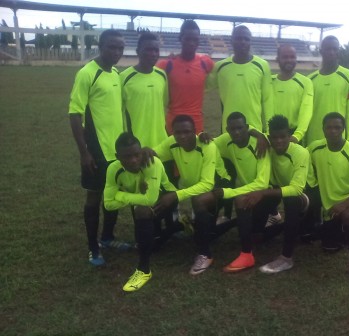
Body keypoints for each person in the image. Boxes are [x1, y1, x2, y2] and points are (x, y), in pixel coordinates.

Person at [68, 29, 130, 266]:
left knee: (112, 195)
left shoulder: (116, 73)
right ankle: (93, 247)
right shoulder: (87, 73)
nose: (116, 52)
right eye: (112, 47)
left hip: (117, 151)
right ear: (100, 46)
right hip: (95, 150)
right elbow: (74, 113)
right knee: (94, 198)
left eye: (120, 48)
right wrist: (84, 152)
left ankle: (107, 238)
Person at [150, 115, 233, 275]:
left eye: (187, 132)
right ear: (172, 133)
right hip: (192, 186)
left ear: (195, 131)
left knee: (199, 201)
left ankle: (205, 254)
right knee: (161, 195)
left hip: (220, 185)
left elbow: (208, 183)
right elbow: (154, 154)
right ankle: (162, 234)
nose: (182, 136)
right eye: (178, 132)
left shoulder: (207, 146)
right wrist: (146, 152)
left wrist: (175, 195)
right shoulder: (172, 142)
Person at [103, 133, 176, 292]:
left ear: (141, 152)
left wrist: (121, 195)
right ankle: (179, 226)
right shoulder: (113, 169)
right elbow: (108, 204)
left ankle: (144, 270)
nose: (134, 160)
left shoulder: (151, 162)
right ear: (117, 156)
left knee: (142, 212)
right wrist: (137, 198)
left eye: (137, 155)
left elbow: (150, 200)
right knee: (152, 244)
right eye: (127, 156)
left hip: (167, 199)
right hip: (142, 201)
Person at [240, 115, 310, 274]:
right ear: (269, 136)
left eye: (283, 137)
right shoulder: (267, 146)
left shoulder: (300, 152)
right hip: (279, 188)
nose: (278, 141)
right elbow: (247, 124)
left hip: (306, 195)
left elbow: (297, 189)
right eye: (274, 137)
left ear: (289, 135)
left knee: (291, 201)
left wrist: (263, 192)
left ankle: (286, 258)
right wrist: (260, 136)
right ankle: (274, 227)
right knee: (257, 236)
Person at [307, 112, 349, 283]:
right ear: (323, 129)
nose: (333, 131)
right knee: (329, 247)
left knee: (348, 217)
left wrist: (344, 204)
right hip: (330, 205)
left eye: (337, 127)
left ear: (343, 129)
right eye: (329, 127)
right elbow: (302, 158)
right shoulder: (314, 148)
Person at [213, 112, 271, 273]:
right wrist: (202, 136)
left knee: (240, 200)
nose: (236, 132)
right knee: (255, 234)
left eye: (240, 128)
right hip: (248, 191)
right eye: (232, 129)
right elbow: (209, 144)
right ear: (227, 130)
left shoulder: (259, 144)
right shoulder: (226, 140)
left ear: (247, 128)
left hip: (266, 193)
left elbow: (262, 182)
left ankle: (247, 254)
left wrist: (230, 192)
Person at [266, 44, 313, 227]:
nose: (289, 60)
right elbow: (266, 107)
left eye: (292, 57)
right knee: (271, 176)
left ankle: (299, 213)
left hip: (293, 136)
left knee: (296, 178)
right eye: (285, 57)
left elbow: (306, 109)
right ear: (277, 59)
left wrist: (298, 135)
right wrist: (267, 134)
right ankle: (273, 213)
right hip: (273, 135)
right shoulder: (269, 81)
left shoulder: (305, 82)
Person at [210, 25, 274, 133]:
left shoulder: (262, 66)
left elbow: (267, 100)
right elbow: (204, 85)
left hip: (254, 128)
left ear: (250, 42)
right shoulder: (220, 67)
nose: (242, 42)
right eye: (238, 38)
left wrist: (269, 130)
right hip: (228, 129)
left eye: (246, 39)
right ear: (232, 41)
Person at [156, 20, 214, 134]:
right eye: (188, 39)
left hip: (196, 125)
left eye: (195, 40)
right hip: (173, 125)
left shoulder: (206, 63)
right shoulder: (167, 65)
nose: (191, 43)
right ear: (180, 38)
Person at [306, 35, 349, 145]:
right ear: (321, 51)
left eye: (335, 49)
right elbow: (304, 112)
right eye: (328, 49)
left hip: (338, 138)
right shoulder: (310, 79)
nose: (331, 52)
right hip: (313, 138)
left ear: (338, 52)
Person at [120, 32, 168, 148]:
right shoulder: (124, 77)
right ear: (137, 51)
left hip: (161, 141)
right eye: (148, 50)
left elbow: (164, 104)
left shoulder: (162, 75)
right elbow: (118, 111)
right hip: (135, 144)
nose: (153, 54)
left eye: (156, 50)